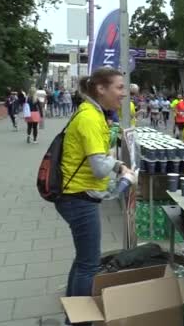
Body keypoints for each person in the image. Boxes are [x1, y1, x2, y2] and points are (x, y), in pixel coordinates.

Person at [56, 67, 134, 325]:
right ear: (101, 89)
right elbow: (99, 166)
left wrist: (116, 164)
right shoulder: (90, 117)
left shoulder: (94, 113)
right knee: (89, 264)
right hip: (79, 197)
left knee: (83, 259)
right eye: (119, 87)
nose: (124, 93)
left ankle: (72, 313)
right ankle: (80, 321)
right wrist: (124, 175)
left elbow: (101, 157)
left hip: (76, 195)